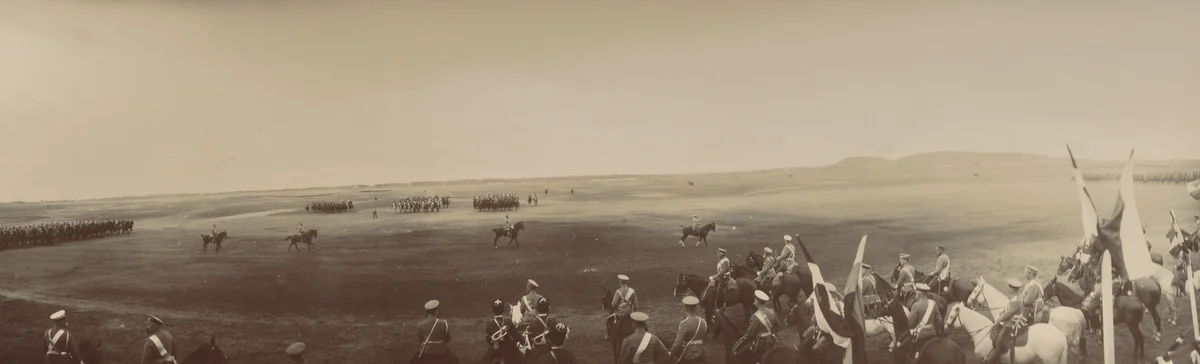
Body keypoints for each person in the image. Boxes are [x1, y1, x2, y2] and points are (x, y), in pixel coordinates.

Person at [984, 279, 1026, 364]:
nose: (1008, 289)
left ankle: (990, 360)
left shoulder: (1017, 300)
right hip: (1010, 318)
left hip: (1011, 323)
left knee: (1000, 340)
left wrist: (998, 320)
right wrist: (999, 314)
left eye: (1010, 288)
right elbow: (1007, 309)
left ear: (1013, 289)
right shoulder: (1014, 297)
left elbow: (1008, 314)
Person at [733, 291, 779, 358]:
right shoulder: (772, 311)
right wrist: (771, 335)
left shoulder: (756, 316)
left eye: (755, 299)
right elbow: (777, 326)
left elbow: (749, 335)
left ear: (758, 301)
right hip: (771, 342)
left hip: (761, 345)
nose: (754, 300)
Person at [669, 296, 708, 364]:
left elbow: (677, 344)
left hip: (689, 354)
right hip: (702, 353)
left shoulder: (684, 324)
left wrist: (670, 354)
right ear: (696, 308)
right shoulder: (703, 322)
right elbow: (704, 338)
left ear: (685, 308)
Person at [485, 299, 511, 364]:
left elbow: (488, 338)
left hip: (495, 349)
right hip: (507, 350)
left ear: (493, 310)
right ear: (503, 310)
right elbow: (515, 335)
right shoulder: (508, 321)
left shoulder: (489, 323)